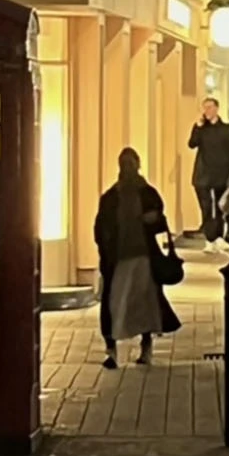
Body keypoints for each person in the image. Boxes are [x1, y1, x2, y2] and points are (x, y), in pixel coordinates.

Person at [94, 148, 182, 369]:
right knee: (118, 303)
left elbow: (160, 222)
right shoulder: (114, 197)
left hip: (141, 256)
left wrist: (153, 220)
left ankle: (143, 344)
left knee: (140, 302)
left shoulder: (141, 195)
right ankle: (113, 348)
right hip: (122, 257)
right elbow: (101, 229)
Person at [188, 98, 229, 246]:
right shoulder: (201, 128)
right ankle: (207, 227)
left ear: (217, 108)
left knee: (219, 202)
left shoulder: (227, 129)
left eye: (209, 107)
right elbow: (192, 143)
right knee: (204, 201)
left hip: (221, 171)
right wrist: (197, 127)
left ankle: (218, 231)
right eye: (204, 108)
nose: (206, 111)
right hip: (204, 171)